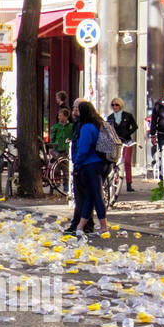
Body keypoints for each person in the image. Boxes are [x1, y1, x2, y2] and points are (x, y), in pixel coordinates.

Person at [67, 100, 111, 235]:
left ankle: (103, 226)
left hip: (90, 165)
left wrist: (77, 165)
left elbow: (83, 149)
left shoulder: (86, 127)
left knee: (96, 196)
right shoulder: (99, 124)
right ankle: (80, 226)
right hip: (104, 163)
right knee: (90, 196)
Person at [105, 98, 136, 192]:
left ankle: (129, 183)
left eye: (117, 105)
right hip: (115, 142)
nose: (115, 107)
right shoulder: (110, 117)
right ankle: (116, 181)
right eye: (113, 105)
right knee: (115, 162)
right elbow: (107, 129)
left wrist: (128, 132)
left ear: (121, 105)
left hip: (127, 141)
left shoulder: (128, 116)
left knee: (127, 162)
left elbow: (135, 126)